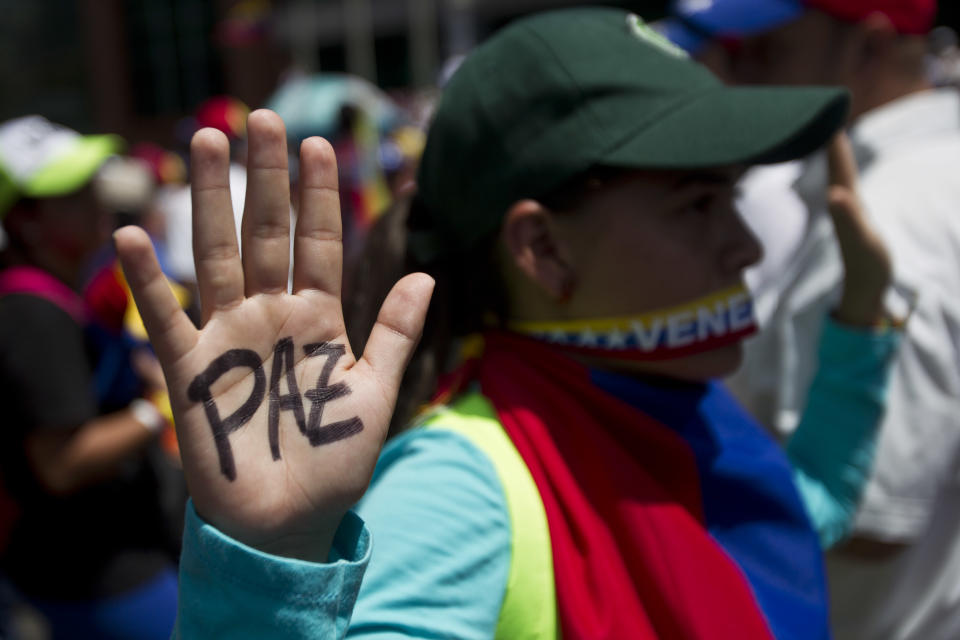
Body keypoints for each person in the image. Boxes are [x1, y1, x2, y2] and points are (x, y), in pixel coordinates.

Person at [117, 9, 897, 639]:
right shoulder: (458, 491)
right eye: (698, 203)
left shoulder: (663, 410)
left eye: (731, 196)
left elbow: (794, 514)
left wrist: (860, 328)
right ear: (543, 249)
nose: (746, 244)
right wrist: (272, 559)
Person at [663, 1, 960, 638]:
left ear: (868, 49)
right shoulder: (923, 179)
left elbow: (867, 518)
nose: (730, 72)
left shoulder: (886, 218)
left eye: (765, 51)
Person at [0, 116, 178, 639]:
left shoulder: (47, 296)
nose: (93, 199)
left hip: (104, 560)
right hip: (98, 574)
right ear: (27, 222)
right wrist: (159, 410)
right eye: (71, 192)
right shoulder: (32, 315)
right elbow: (62, 462)